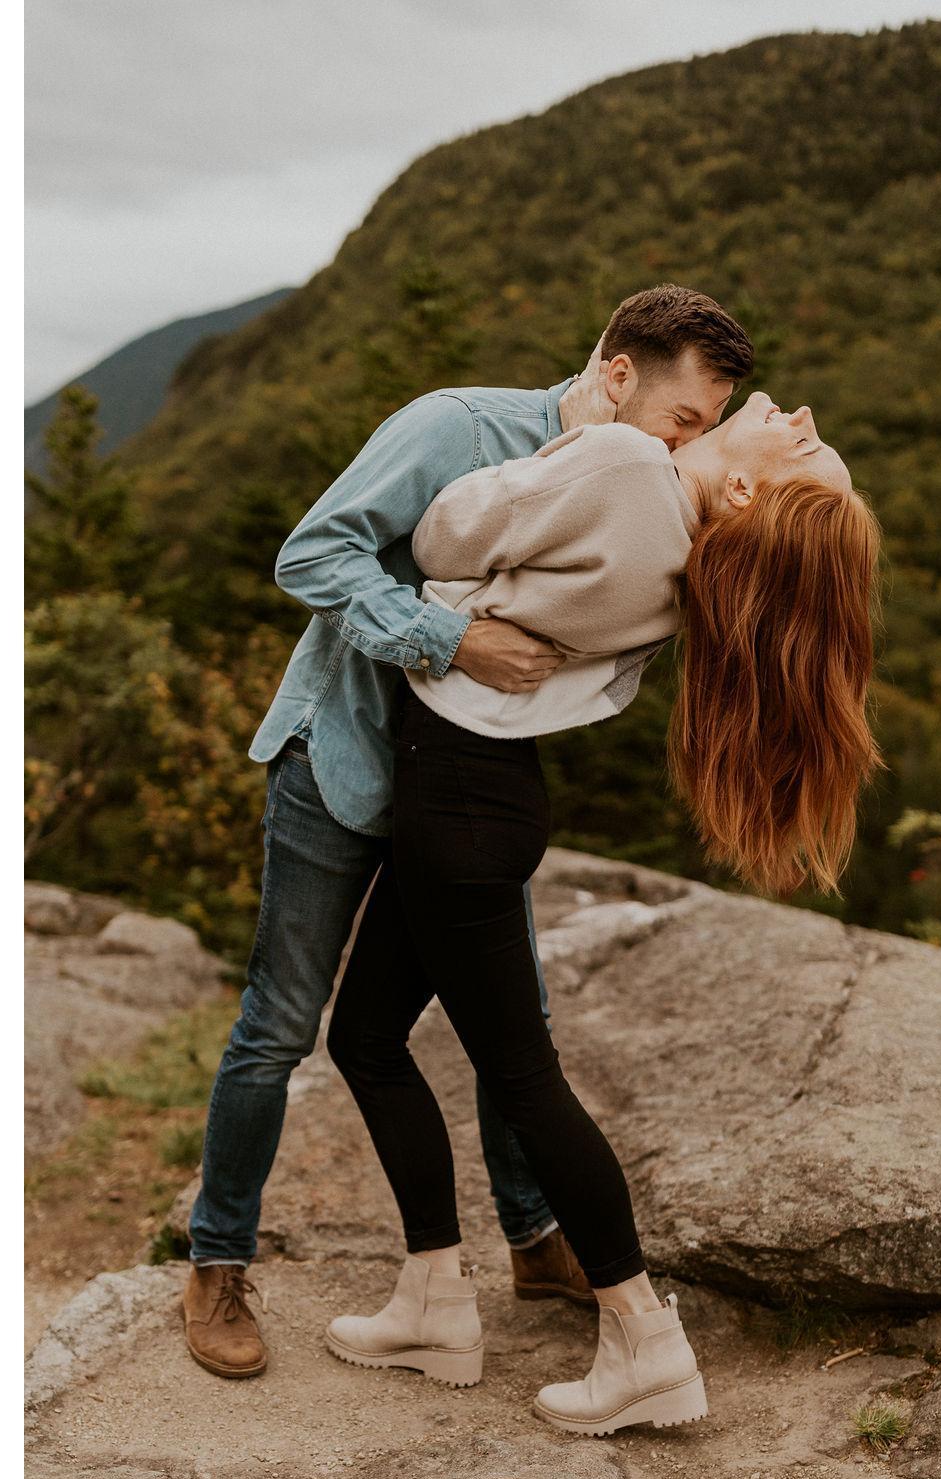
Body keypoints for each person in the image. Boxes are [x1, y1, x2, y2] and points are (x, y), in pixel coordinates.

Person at [181, 286, 756, 1379]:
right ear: (619, 373)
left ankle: (535, 1245)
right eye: (683, 419)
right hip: (344, 760)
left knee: (513, 1022)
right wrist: (444, 637)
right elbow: (310, 554)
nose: (685, 446)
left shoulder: (627, 485)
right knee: (282, 1021)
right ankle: (218, 1261)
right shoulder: (458, 427)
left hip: (458, 790)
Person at [322, 393, 882, 1435]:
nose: (802, 409)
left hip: (458, 807)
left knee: (523, 1078)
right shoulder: (677, 575)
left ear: (750, 491)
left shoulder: (626, 463)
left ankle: (643, 1342)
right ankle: (434, 1299)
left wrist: (579, 440)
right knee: (364, 1037)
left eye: (807, 440)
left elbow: (440, 528)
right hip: (479, 799)